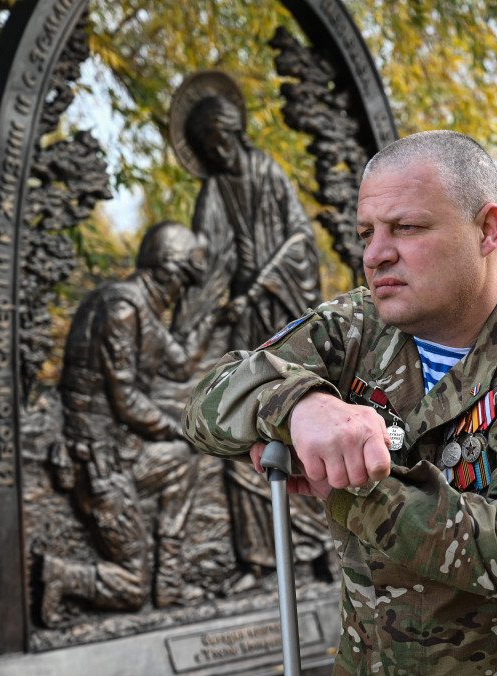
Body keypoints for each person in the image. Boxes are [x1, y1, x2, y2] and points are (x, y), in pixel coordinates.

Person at [182, 130, 497, 673]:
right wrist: (303, 405)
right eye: (367, 232)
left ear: (487, 229)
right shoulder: (355, 329)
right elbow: (207, 399)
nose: (376, 255)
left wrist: (349, 482)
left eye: (407, 228)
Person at [169, 72, 330, 585]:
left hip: (282, 319)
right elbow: (207, 253)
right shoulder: (215, 189)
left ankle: (318, 548)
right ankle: (261, 562)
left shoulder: (267, 171)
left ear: (231, 132)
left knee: (296, 422)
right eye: (203, 146)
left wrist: (261, 286)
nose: (214, 151)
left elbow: (300, 241)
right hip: (246, 324)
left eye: (216, 139)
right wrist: (192, 315)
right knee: (244, 431)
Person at [42, 222, 216, 625]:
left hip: (122, 457)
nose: (180, 294)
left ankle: (169, 583)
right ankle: (61, 574)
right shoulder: (120, 309)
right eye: (183, 284)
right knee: (131, 588)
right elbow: (127, 403)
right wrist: (181, 428)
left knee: (182, 461)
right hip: (98, 465)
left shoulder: (144, 313)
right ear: (168, 272)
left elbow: (180, 365)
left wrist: (211, 317)